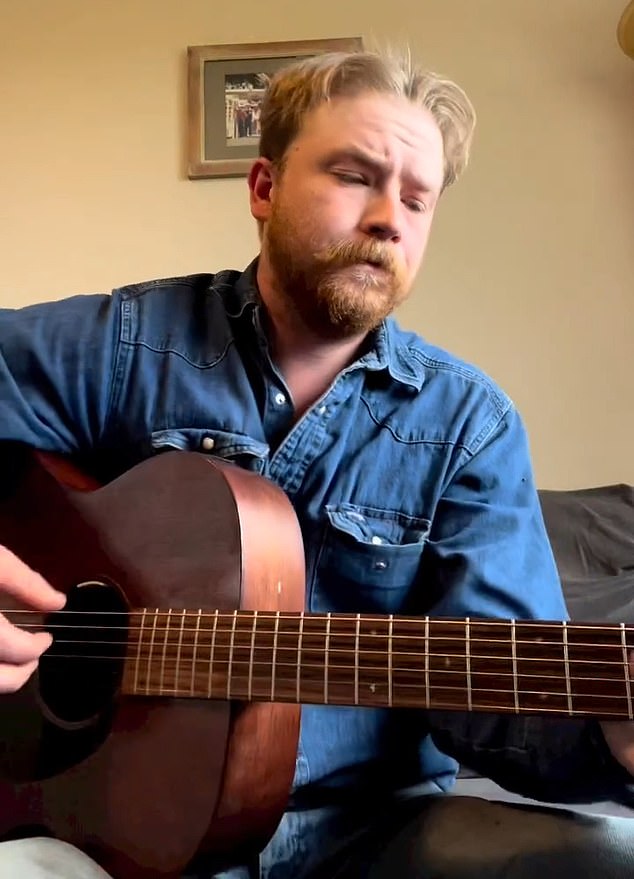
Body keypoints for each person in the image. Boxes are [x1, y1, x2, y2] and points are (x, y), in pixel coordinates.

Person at [0, 46, 633, 879]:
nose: (389, 218)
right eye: (354, 176)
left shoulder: (467, 424)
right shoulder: (127, 347)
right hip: (103, 829)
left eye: (417, 198)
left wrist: (612, 732)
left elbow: (495, 705)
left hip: (371, 834)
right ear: (263, 188)